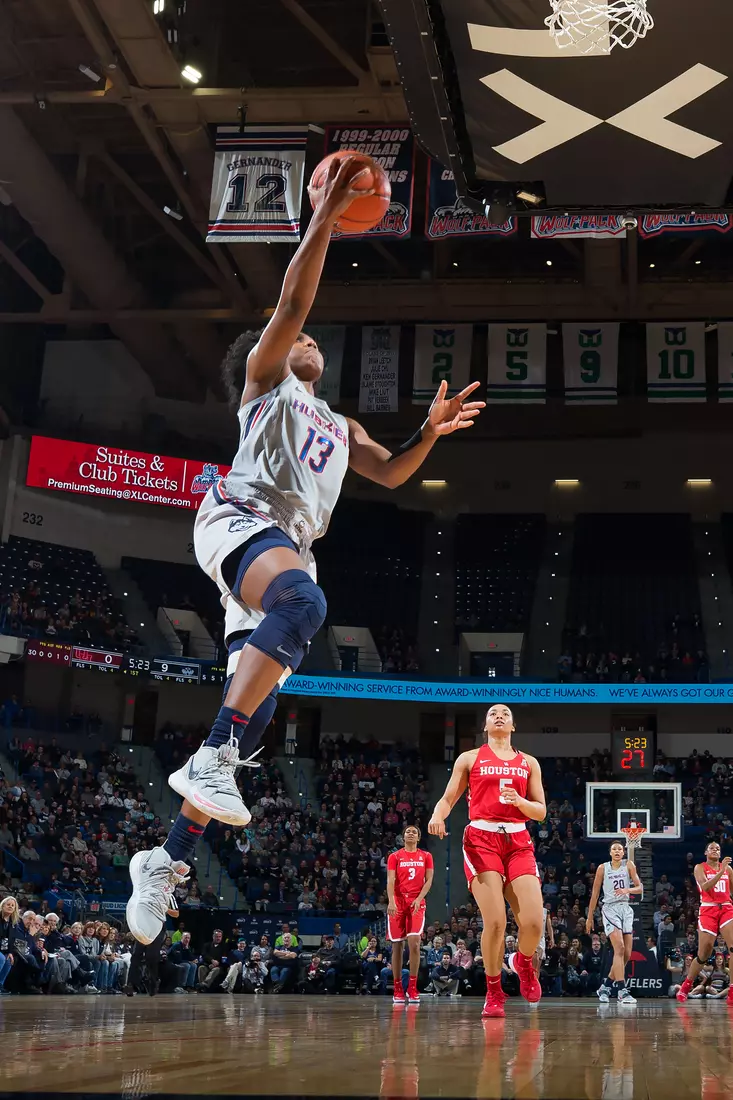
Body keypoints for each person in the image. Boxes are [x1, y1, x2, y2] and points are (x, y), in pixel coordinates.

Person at [126, 155, 485, 945]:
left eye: (315, 340)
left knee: (258, 724)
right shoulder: (267, 381)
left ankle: (164, 857)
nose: (310, 340)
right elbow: (293, 297)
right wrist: (324, 214)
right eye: (301, 338)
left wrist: (427, 431)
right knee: (302, 606)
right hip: (237, 518)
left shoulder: (338, 424)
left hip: (282, 545)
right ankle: (213, 752)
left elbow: (389, 472)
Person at [429, 704, 546, 1018]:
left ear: (513, 726)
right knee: (496, 922)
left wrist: (519, 801)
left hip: (518, 840)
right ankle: (494, 991)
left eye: (505, 713)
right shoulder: (469, 758)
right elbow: (448, 797)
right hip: (482, 839)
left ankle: (522, 962)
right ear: (485, 724)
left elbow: (541, 811)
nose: (499, 715)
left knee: (534, 923)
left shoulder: (529, 762)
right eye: (493, 712)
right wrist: (437, 815)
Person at [585, 841, 642, 1005]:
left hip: (626, 908)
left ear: (623, 853)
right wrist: (589, 917)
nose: (617, 851)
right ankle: (622, 991)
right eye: (614, 849)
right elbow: (595, 894)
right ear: (610, 853)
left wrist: (627, 890)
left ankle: (605, 987)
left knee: (626, 954)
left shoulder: (629, 865)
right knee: (620, 948)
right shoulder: (603, 868)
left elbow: (640, 888)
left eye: (620, 849)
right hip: (610, 908)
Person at [676, 841, 733, 1003]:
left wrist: (725, 870)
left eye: (718, 848)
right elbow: (706, 887)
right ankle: (686, 986)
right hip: (708, 909)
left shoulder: (728, 869)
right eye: (712, 848)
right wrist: (721, 870)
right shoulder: (700, 868)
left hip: (727, 908)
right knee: (704, 954)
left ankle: (732, 991)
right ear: (706, 852)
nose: (715, 849)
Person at [387, 824, 434, 1005]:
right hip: (398, 900)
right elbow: (390, 880)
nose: (411, 833)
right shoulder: (395, 856)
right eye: (408, 831)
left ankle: (412, 987)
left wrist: (420, 898)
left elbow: (429, 879)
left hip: (416, 900)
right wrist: (391, 901)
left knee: (414, 943)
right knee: (397, 945)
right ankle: (398, 987)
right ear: (403, 836)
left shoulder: (426, 856)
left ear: (419, 837)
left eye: (415, 831)